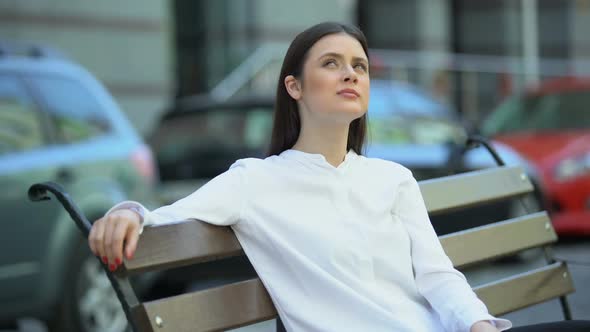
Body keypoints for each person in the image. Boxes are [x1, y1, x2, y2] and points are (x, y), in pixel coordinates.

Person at [88, 22, 589, 332]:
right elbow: (166, 217)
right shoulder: (254, 181)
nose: (351, 74)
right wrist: (127, 209)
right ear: (294, 86)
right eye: (332, 64)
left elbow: (438, 277)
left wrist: (478, 323)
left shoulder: (393, 178)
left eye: (360, 66)